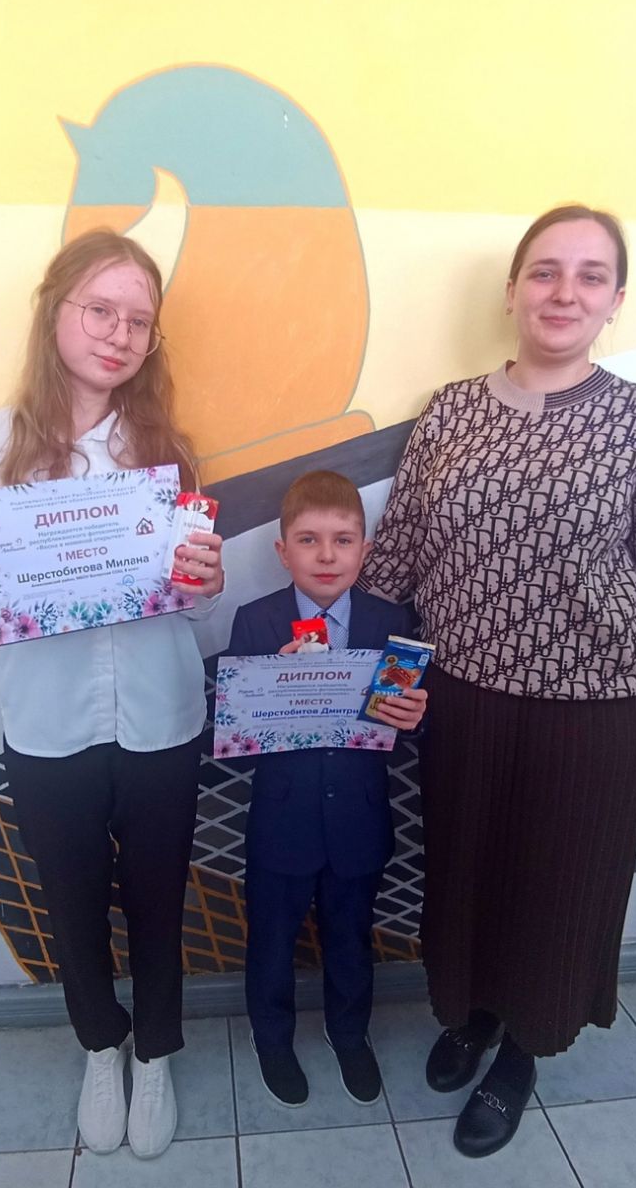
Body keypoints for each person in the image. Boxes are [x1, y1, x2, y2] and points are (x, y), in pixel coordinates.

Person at [360, 205, 636, 1157]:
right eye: (545, 271)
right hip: (463, 702)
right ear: (512, 290)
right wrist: (367, 684)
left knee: (557, 891)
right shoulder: (451, 411)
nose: (563, 293)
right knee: (465, 877)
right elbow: (399, 560)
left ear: (615, 301)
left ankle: (523, 1052)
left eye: (590, 276)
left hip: (593, 713)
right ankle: (471, 1015)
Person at [0, 229, 224, 1160]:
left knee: (159, 896)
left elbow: (191, 611)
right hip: (47, 725)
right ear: (55, 311)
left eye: (139, 321)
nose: (119, 334)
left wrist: (205, 585)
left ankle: (155, 1052)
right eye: (100, 310)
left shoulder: (167, 452)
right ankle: (101, 1044)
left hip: (161, 717)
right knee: (71, 899)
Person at [224, 471, 427, 1107]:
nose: (327, 555)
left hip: (360, 822)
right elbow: (229, 729)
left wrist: (416, 714)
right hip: (280, 823)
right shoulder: (257, 622)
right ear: (282, 551)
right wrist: (268, 686)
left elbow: (405, 723)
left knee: (351, 939)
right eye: (308, 540)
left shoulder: (392, 622)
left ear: (365, 550)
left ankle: (350, 1035)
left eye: (343, 540)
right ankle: (272, 1038)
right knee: (271, 942)